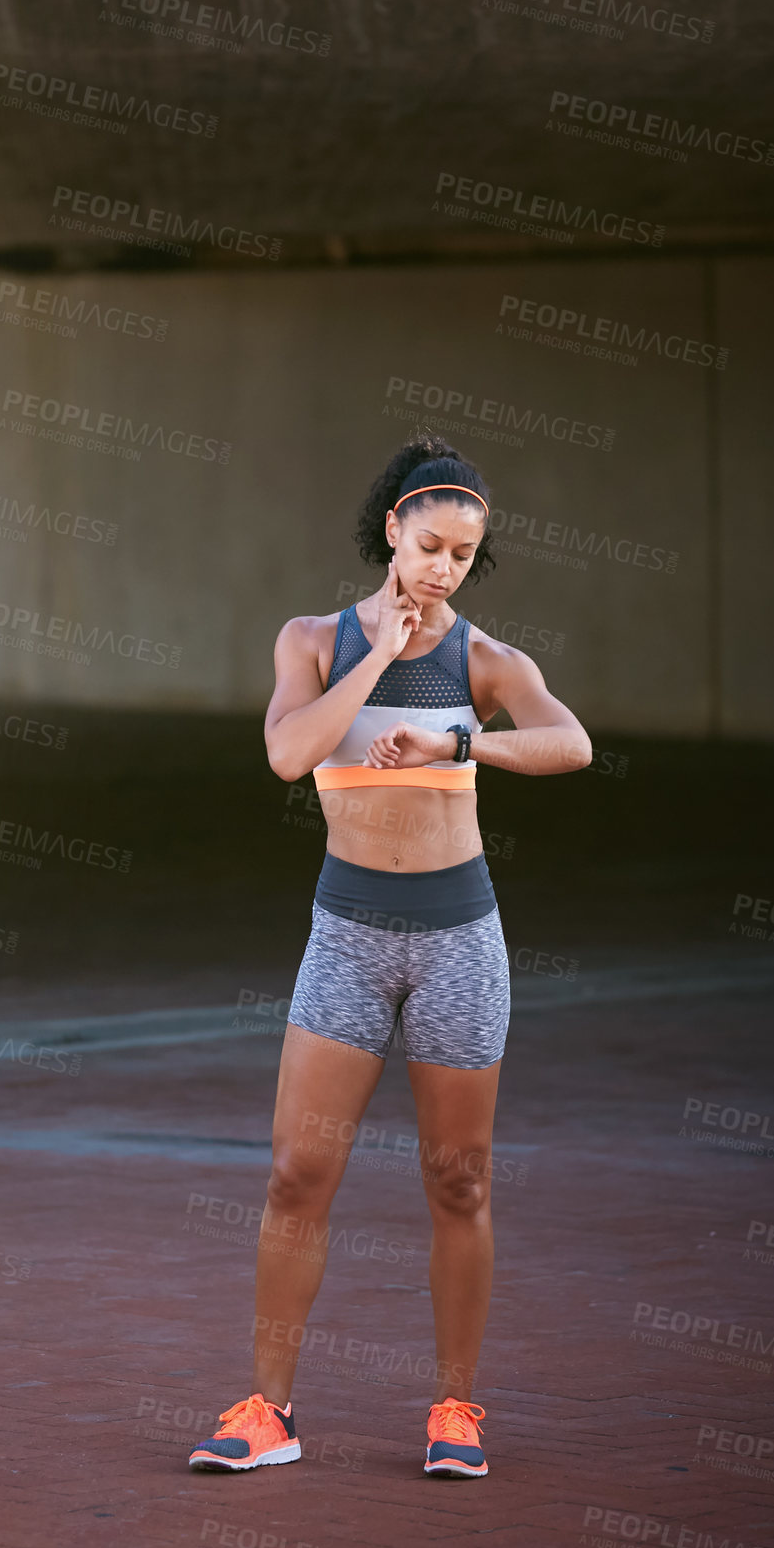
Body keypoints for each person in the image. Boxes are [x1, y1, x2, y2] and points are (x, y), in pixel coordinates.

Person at [189, 434, 591, 1479]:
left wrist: (459, 743)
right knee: (294, 1173)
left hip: (458, 938)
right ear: (390, 533)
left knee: (456, 1181)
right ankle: (266, 1409)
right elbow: (286, 754)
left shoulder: (487, 660)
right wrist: (376, 654)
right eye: (428, 545)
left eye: (462, 554)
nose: (442, 568)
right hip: (347, 937)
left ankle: (455, 1409)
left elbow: (570, 742)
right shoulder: (312, 641)